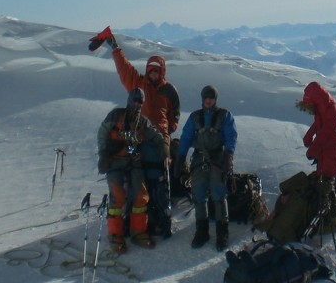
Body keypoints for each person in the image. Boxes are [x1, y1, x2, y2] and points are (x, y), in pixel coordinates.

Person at [90, 26, 180, 239]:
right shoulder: (139, 84)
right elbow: (124, 68)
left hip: (158, 142)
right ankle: (135, 223)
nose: (154, 73)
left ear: (162, 71)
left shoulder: (169, 90)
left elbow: (175, 113)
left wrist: (168, 132)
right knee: (139, 184)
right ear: (148, 70)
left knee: (159, 183)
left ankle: (160, 221)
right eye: (151, 69)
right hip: (140, 142)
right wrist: (114, 48)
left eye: (157, 70)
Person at [96, 88, 167, 253]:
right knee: (117, 197)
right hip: (114, 161)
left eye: (140, 102)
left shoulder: (142, 121)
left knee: (141, 196)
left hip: (133, 161)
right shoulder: (115, 115)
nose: (137, 104)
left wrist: (162, 144)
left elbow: (154, 133)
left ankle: (139, 232)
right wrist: (103, 153)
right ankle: (115, 235)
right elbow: (102, 133)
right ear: (129, 100)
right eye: (135, 100)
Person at [174, 85, 238, 250]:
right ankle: (201, 232)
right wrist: (180, 158)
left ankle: (222, 233)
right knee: (199, 195)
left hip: (218, 160)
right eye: (206, 97)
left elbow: (231, 136)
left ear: (215, 99)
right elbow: (186, 137)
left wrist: (228, 156)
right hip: (199, 160)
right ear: (202, 98)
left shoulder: (224, 115)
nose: (209, 100)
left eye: (212, 97)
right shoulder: (195, 117)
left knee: (219, 195)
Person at [296, 81, 336, 180]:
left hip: (332, 154)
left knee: (325, 185)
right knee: (322, 181)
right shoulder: (323, 108)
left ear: (315, 101)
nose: (310, 110)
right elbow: (320, 124)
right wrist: (309, 136)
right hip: (325, 153)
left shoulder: (332, 110)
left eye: (310, 106)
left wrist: (313, 149)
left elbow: (330, 133)